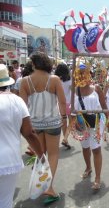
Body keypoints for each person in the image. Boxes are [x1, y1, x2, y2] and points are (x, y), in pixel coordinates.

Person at [19, 52, 67, 204]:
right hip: (53, 122)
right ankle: (49, 188)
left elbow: (23, 106)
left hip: (35, 124)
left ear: (33, 64)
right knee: (53, 154)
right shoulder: (54, 79)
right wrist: (65, 119)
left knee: (41, 155)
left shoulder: (25, 81)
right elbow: (62, 102)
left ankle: (40, 185)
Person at [0, 64, 43, 208]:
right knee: (5, 201)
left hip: (8, 162)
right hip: (8, 161)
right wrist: (41, 155)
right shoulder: (17, 101)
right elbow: (29, 133)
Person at [74, 63, 108, 190]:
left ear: (89, 74)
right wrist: (74, 122)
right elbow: (72, 109)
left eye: (85, 72)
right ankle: (88, 168)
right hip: (82, 123)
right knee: (85, 148)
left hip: (97, 123)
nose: (82, 75)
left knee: (96, 149)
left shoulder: (97, 88)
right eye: (80, 73)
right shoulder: (75, 90)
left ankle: (97, 178)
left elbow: (104, 106)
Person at [54, 63, 72, 149]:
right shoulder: (69, 80)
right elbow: (73, 92)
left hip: (59, 104)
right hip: (69, 103)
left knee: (63, 123)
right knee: (71, 122)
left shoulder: (55, 80)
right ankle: (65, 139)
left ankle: (65, 139)